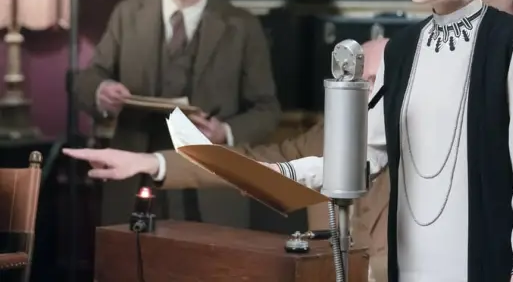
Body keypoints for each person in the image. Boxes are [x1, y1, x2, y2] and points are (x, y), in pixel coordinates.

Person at [260, 0, 513, 282]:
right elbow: (367, 157)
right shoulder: (401, 50)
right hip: (410, 261)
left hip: (483, 260)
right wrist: (280, 172)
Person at [65, 38, 391, 281]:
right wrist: (149, 162)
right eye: (353, 80)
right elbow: (249, 163)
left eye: (372, 80)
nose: (358, 93)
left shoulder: (417, 152)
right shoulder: (323, 137)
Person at [75, 0, 280, 225]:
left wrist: (224, 132)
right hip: (134, 180)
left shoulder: (242, 26)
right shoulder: (127, 15)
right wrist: (101, 92)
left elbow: (267, 109)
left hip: (211, 186)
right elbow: (88, 79)